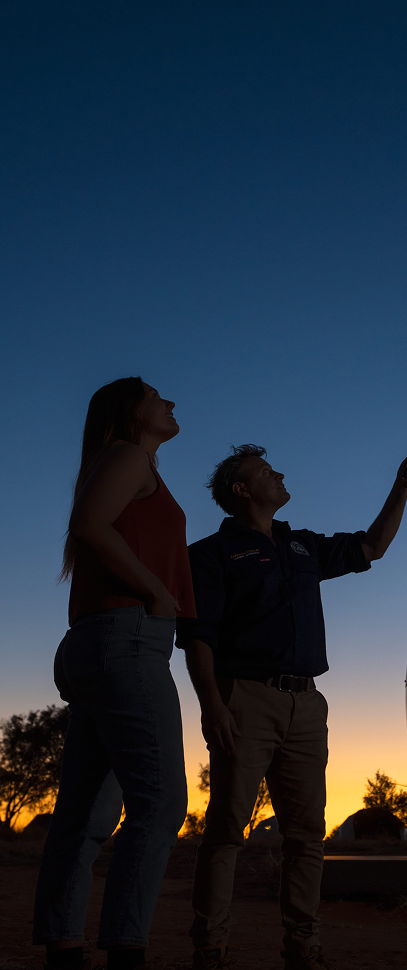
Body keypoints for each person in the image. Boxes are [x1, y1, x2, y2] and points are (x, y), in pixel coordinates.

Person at [177, 443, 407, 970]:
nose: (281, 473)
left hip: (307, 705)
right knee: (226, 830)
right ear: (241, 491)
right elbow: (198, 638)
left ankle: (303, 944)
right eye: (266, 471)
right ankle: (211, 945)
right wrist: (213, 707)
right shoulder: (209, 555)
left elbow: (371, 548)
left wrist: (402, 487)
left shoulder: (301, 546)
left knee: (307, 835)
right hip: (244, 698)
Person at [33, 377, 197, 970]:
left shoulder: (124, 461)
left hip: (102, 642)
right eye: (158, 396)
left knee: (85, 814)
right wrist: (155, 589)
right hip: (127, 638)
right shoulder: (129, 457)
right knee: (160, 805)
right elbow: (90, 525)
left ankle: (63, 946)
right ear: (132, 412)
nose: (171, 401)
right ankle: (126, 951)